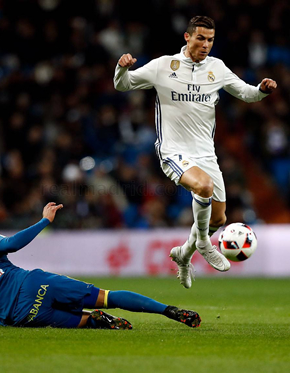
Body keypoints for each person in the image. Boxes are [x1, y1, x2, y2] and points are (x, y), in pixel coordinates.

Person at [114, 16, 277, 289]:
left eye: (210, 40)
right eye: (200, 38)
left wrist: (261, 90)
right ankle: (202, 243)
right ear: (187, 37)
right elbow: (124, 85)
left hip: (206, 154)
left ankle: (183, 254)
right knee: (203, 187)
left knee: (219, 218)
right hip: (173, 151)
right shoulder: (163, 66)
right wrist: (121, 69)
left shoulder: (217, 68)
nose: (206, 45)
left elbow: (246, 93)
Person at [0, 203, 201, 329]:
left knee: (84, 322)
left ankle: (97, 322)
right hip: (34, 284)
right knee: (108, 295)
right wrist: (43, 220)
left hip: (18, 317)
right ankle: (167, 311)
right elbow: (12, 245)